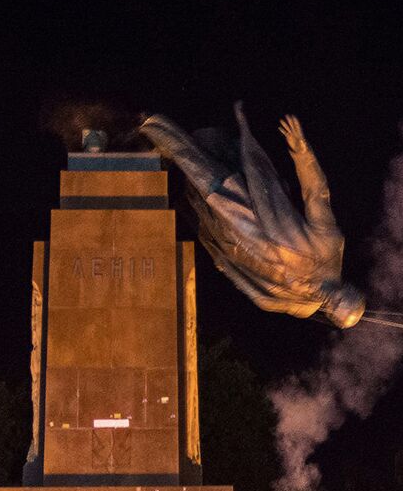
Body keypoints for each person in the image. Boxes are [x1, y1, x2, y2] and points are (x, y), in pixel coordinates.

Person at [138, 106, 365, 328]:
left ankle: (149, 144)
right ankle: (145, 123)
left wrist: (226, 267)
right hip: (240, 205)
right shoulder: (330, 246)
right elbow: (316, 193)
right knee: (194, 162)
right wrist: (301, 151)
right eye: (339, 300)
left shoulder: (304, 307)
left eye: (332, 312)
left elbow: (260, 297)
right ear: (348, 288)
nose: (330, 304)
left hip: (227, 239)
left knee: (191, 173)